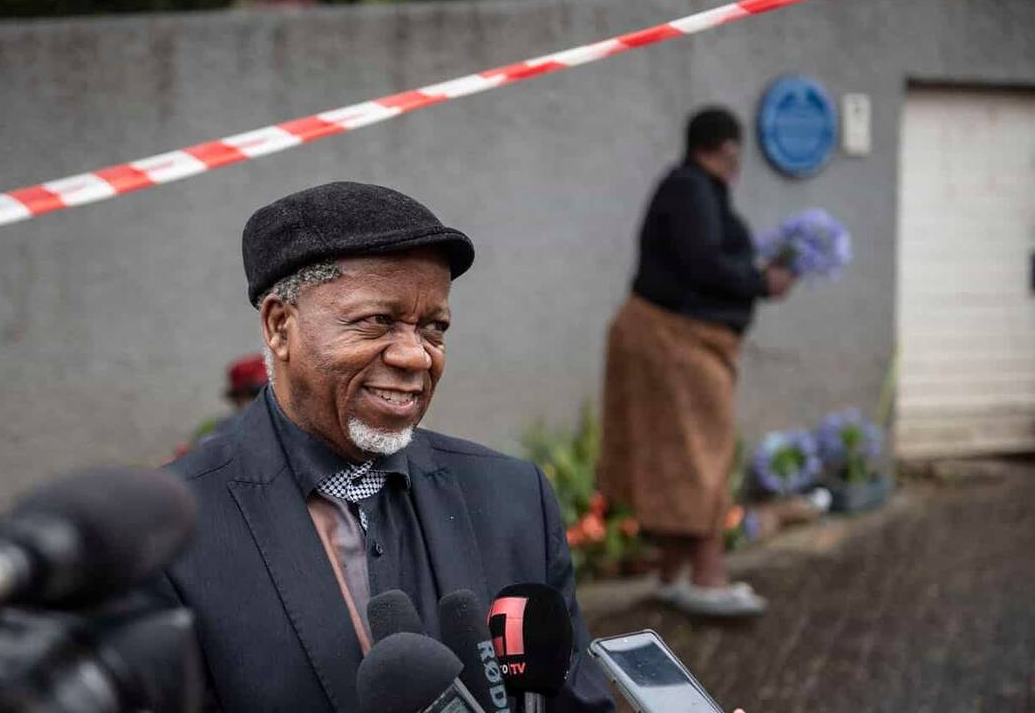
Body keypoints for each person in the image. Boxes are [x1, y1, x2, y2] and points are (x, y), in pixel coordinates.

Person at [152, 182, 615, 712]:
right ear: (280, 327)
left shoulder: (514, 499)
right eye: (378, 321)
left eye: (434, 328)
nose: (416, 356)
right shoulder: (170, 533)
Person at [597, 107, 795, 618]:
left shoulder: (692, 189)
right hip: (675, 340)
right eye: (736, 152)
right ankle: (708, 579)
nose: (738, 162)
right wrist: (762, 281)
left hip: (676, 338)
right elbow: (704, 262)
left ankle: (672, 576)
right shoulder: (690, 189)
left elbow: (705, 258)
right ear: (725, 148)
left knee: (681, 456)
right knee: (702, 454)